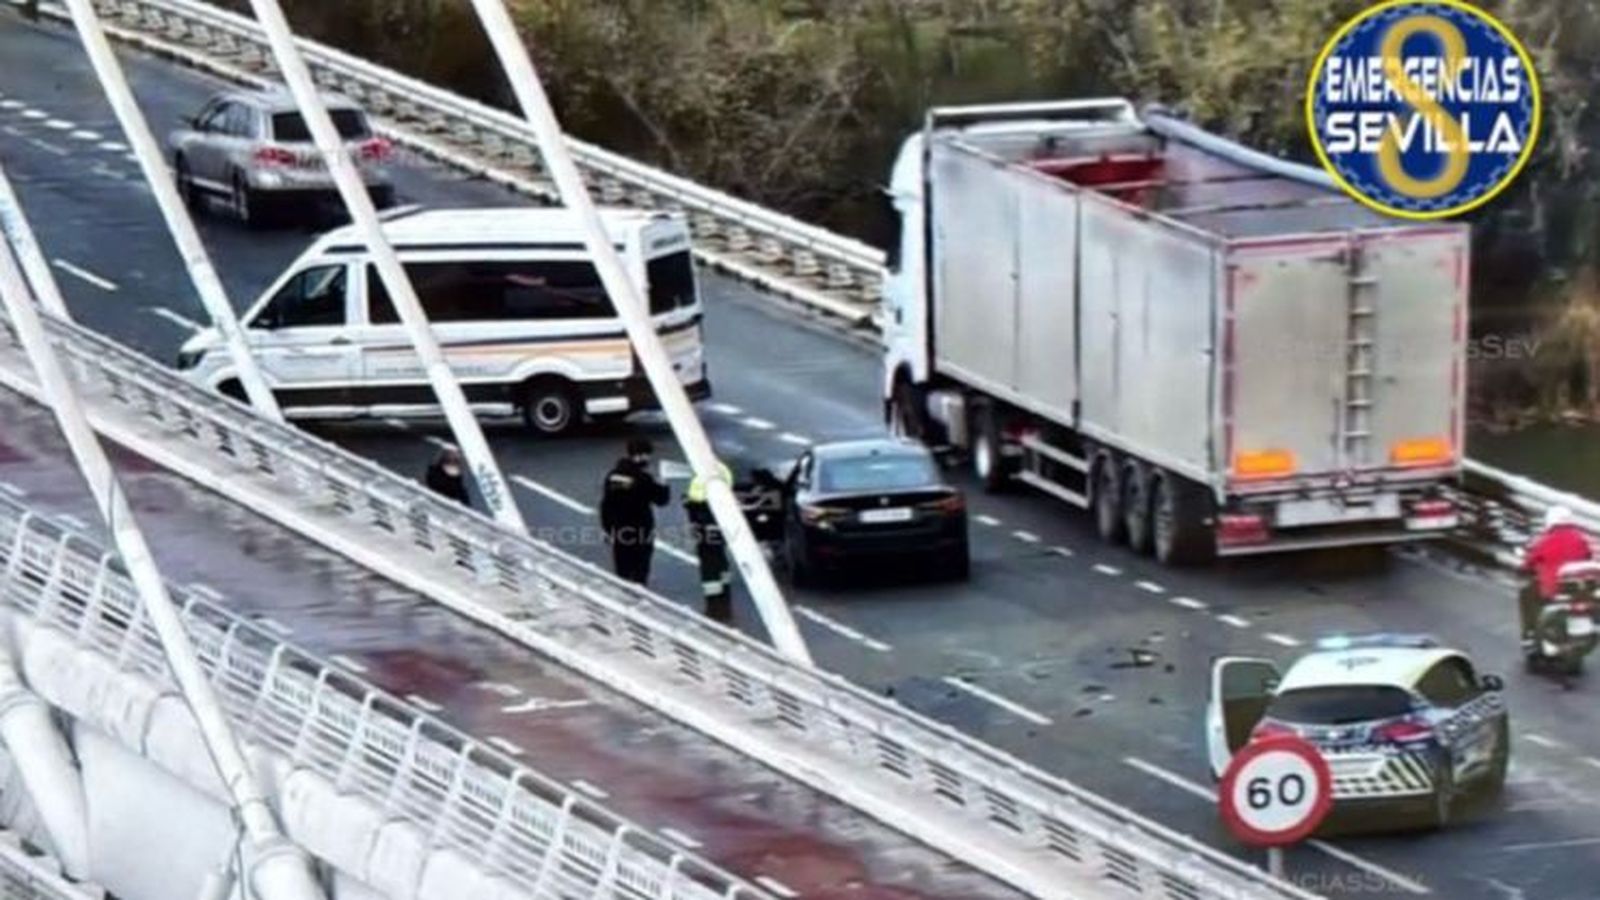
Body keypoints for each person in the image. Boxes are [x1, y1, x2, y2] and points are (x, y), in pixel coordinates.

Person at [1520, 505, 1592, 647]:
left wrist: (1525, 568)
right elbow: (1588, 558)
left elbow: (1528, 564)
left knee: (1526, 592)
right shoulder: (1581, 539)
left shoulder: (1546, 540)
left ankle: (1529, 633)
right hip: (1578, 590)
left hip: (1552, 590)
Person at [599, 438, 669, 585]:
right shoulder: (643, 478)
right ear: (640, 456)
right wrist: (663, 484)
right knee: (640, 570)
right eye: (647, 455)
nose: (648, 459)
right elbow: (661, 500)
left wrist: (606, 529)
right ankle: (639, 598)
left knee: (622, 569)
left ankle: (623, 597)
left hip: (619, 530)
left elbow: (606, 504)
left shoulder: (613, 476)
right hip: (640, 530)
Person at [685, 461, 734, 624]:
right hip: (721, 522)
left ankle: (714, 608)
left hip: (704, 521)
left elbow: (694, 499)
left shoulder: (701, 472)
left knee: (709, 566)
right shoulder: (723, 469)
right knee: (721, 559)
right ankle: (725, 600)